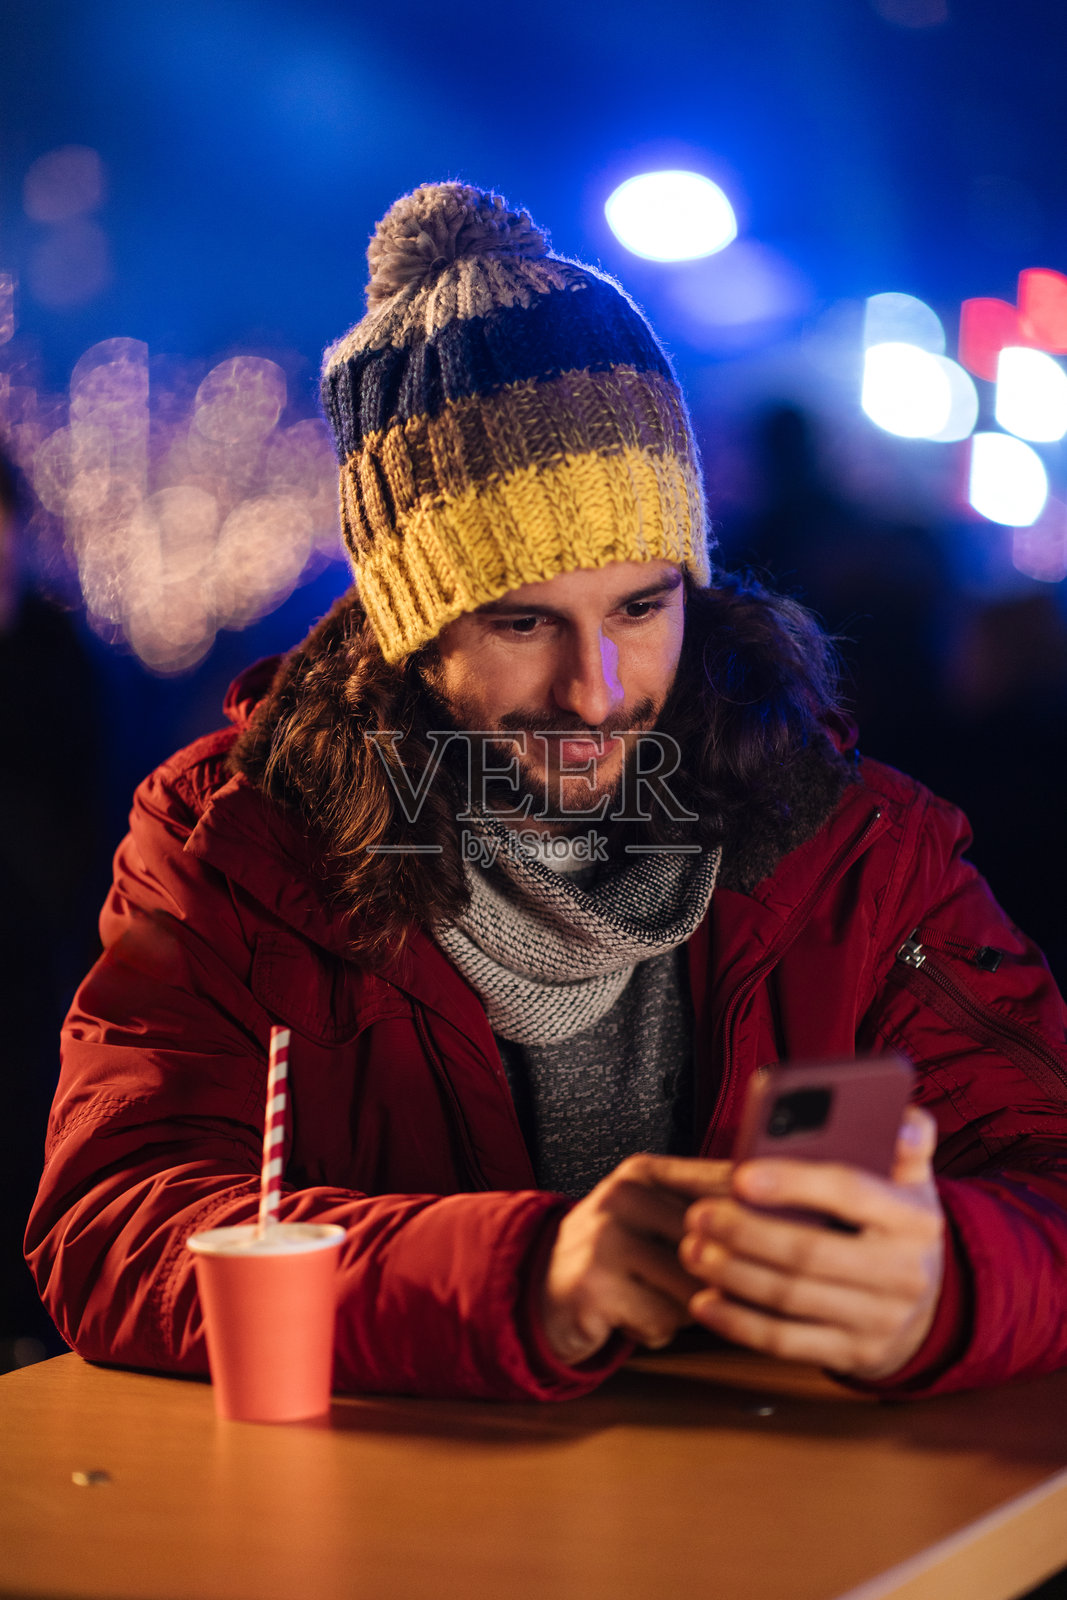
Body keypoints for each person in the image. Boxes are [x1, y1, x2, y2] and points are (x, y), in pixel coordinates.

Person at [26, 183, 1067, 1400]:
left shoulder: (856, 845)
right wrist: (524, 1276)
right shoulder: (238, 843)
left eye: (642, 605)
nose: (595, 689)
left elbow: (1044, 1168)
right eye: (523, 622)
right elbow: (110, 1225)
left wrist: (944, 1285)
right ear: (413, 625)